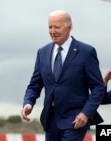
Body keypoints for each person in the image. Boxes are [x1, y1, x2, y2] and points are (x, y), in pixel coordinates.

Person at [21, 10, 105, 141]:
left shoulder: (86, 52)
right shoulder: (42, 52)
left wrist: (86, 113)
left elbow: (98, 87)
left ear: (69, 27)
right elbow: (35, 85)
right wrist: (28, 103)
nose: (52, 31)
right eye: (50, 27)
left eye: (57, 27)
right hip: (50, 120)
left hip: (75, 120)